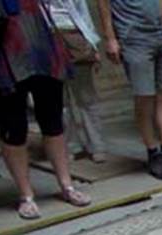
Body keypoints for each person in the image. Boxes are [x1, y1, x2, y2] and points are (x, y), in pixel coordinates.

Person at [0, 0, 91, 218]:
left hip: (39, 41)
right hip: (2, 47)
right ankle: (26, 195)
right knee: (13, 128)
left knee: (53, 121)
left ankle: (67, 185)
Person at [97, 0, 162, 179]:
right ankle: (153, 152)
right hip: (133, 37)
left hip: (159, 33)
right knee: (144, 97)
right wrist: (110, 38)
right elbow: (103, 4)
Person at [47, 0, 106, 161]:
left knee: (86, 96)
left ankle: (96, 144)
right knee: (60, 101)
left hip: (73, 33)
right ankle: (71, 145)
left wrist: (93, 44)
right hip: (48, 36)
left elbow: (83, 13)